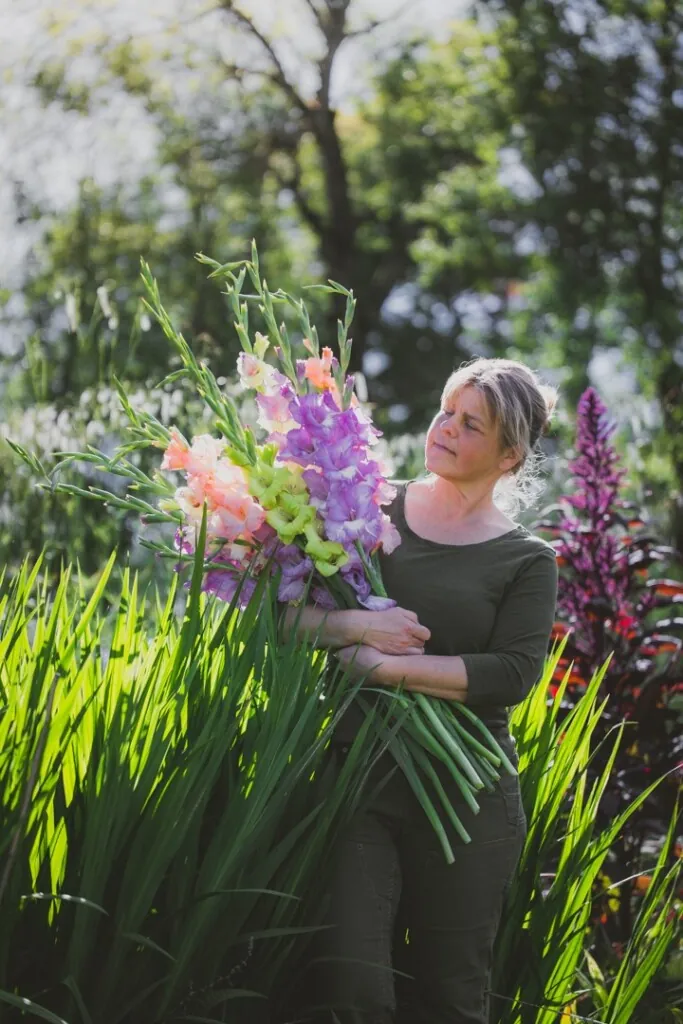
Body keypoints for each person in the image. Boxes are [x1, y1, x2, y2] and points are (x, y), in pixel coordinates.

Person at [281, 357, 560, 1024]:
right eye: (445, 411)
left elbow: (511, 674)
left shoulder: (525, 557)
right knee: (351, 987)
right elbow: (279, 616)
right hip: (354, 779)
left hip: (468, 792)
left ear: (508, 454)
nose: (446, 429)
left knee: (450, 997)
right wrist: (352, 623)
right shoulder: (365, 506)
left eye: (471, 424)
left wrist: (381, 667)